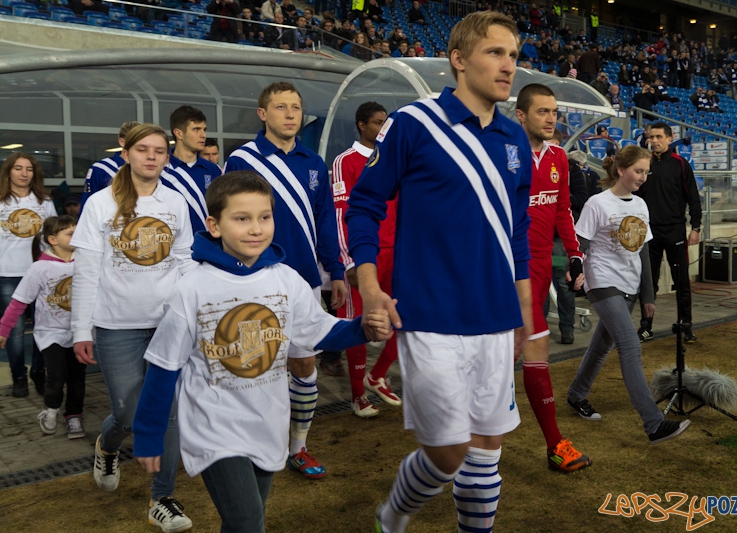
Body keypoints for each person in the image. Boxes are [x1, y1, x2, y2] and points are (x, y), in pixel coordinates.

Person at [346, 11, 533, 532]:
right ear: (458, 59)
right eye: (495, 53)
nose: (507, 66)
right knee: (449, 454)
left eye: (513, 56)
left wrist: (525, 315)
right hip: (429, 315)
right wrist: (369, 285)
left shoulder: (516, 140)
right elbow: (363, 205)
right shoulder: (414, 124)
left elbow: (515, 234)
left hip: (495, 317)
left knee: (487, 450)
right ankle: (393, 515)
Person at [130, 171, 392, 533]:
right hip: (215, 428)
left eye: (264, 217)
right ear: (214, 225)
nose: (256, 228)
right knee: (247, 522)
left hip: (269, 423)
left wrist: (361, 327)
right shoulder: (191, 288)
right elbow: (163, 368)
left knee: (248, 521)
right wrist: (147, 435)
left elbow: (320, 331)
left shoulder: (285, 279)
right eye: (242, 218)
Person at [71, 124, 195, 532]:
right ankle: (107, 446)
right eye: (143, 149)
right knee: (127, 412)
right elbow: (86, 271)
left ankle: (162, 498)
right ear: (126, 153)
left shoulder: (175, 203)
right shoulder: (100, 204)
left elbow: (184, 262)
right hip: (115, 325)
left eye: (160, 151)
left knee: (169, 411)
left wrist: (190, 311)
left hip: (167, 323)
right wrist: (81, 329)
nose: (152, 157)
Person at [223, 82, 346, 481]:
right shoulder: (242, 160)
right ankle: (252, 442)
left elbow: (326, 222)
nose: (290, 114)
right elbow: (227, 221)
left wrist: (337, 271)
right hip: (254, 280)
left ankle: (298, 446)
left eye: (296, 108)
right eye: (280, 107)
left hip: (305, 279)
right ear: (263, 114)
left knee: (303, 361)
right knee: (254, 364)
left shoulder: (314, 162)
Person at [567, 145, 691, 444]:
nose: (643, 177)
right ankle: (653, 423)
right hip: (603, 282)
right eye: (639, 171)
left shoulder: (640, 205)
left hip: (631, 286)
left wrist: (648, 296)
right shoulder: (597, 203)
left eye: (646, 172)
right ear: (621, 170)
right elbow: (579, 245)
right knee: (630, 347)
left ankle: (576, 395)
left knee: (601, 346)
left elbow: (643, 254)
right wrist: (574, 268)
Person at [514, 84, 592, 473]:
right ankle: (551, 442)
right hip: (508, 271)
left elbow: (562, 209)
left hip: (542, 266)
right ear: (520, 115)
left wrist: (574, 254)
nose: (550, 118)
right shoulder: (503, 154)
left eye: (554, 112)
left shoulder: (559, 156)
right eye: (542, 111)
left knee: (531, 351)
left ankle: (553, 444)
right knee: (520, 351)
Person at [332, 102, 401, 418]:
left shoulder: (394, 159)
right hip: (364, 256)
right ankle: (358, 395)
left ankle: (378, 374)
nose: (383, 128)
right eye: (377, 122)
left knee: (405, 316)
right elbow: (341, 214)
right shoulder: (345, 162)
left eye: (385, 122)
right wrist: (349, 261)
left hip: (395, 252)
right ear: (362, 125)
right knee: (358, 323)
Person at [0, 215, 86, 439]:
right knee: (57, 376)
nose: (76, 236)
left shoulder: (86, 262)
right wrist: (4, 329)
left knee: (77, 377)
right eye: (70, 233)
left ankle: (74, 416)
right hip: (51, 334)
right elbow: (19, 301)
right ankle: (50, 409)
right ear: (53, 239)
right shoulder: (39, 268)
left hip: (82, 334)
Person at [634, 122, 701, 343]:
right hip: (649, 235)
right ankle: (646, 327)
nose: (654, 141)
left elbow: (693, 198)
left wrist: (696, 228)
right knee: (648, 283)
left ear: (670, 138)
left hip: (675, 233)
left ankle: (686, 326)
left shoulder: (681, 164)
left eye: (658, 137)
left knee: (681, 282)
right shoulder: (643, 164)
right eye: (650, 137)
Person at [0, 153, 56, 398]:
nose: (24, 173)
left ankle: (39, 371)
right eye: (18, 168)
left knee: (43, 327)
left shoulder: (44, 201)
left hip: (40, 272)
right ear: (9, 172)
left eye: (29, 169)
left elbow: (53, 238)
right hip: (7, 273)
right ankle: (19, 376)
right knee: (14, 329)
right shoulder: (1, 201)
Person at [546, 130, 588, 345]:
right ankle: (539, 329)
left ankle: (566, 328)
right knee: (541, 285)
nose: (549, 146)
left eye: (553, 143)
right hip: (540, 237)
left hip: (561, 240)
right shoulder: (534, 164)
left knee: (564, 283)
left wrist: (558, 195)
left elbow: (582, 198)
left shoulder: (570, 167)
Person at [160, 106, 222, 236]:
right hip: (171, 245)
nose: (203, 135)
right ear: (179, 133)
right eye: (196, 129)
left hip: (208, 245)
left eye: (204, 129)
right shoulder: (160, 170)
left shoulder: (213, 169)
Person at [80, 121, 141, 211]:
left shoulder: (152, 168)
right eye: (135, 139)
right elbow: (87, 205)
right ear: (122, 142)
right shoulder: (100, 168)